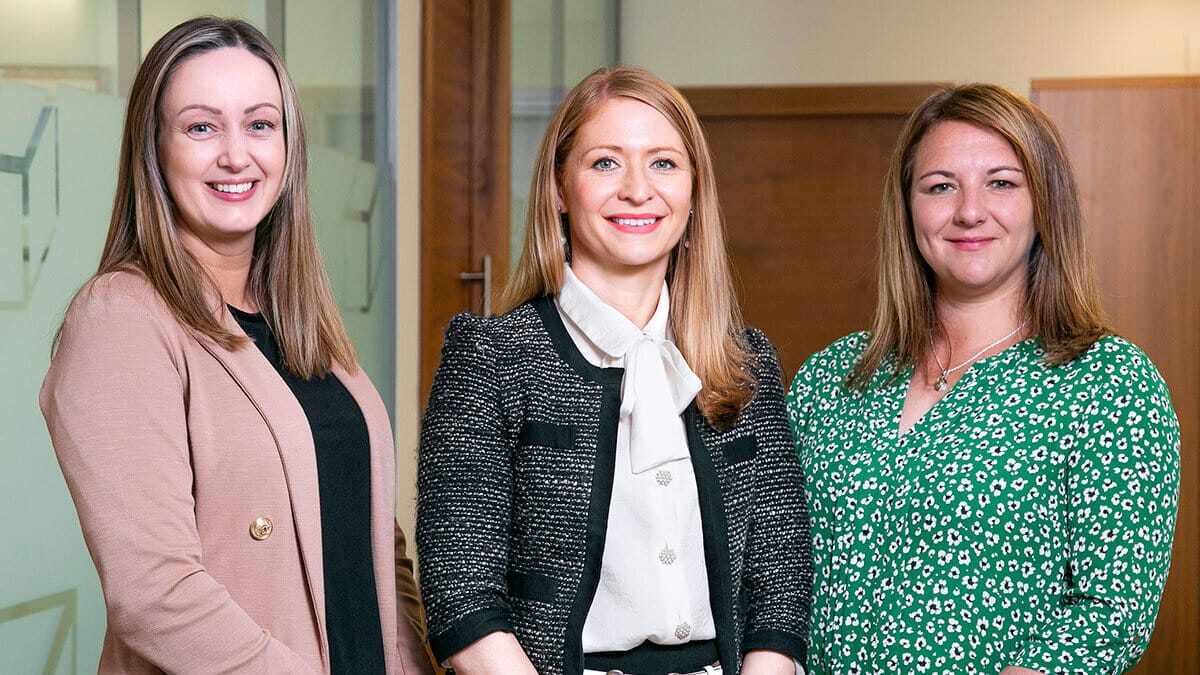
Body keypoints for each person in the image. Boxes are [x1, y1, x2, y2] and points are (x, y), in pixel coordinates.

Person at [39, 17, 431, 674]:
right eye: (200, 126)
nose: (235, 154)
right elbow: (155, 593)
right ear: (154, 148)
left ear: (287, 146)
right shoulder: (121, 319)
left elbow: (374, 543)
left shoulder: (304, 322)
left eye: (259, 124)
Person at [417, 66, 812, 675]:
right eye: (605, 163)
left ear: (694, 192)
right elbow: (460, 593)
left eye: (663, 163)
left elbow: (779, 577)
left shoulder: (747, 362)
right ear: (557, 188)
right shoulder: (491, 356)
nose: (637, 190)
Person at [786, 83, 1180, 674]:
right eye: (940, 186)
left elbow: (1108, 616)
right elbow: (770, 570)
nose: (970, 211)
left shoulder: (1108, 384)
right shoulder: (831, 378)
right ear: (908, 208)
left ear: (1044, 203)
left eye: (1001, 182)